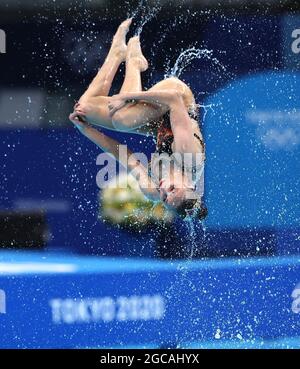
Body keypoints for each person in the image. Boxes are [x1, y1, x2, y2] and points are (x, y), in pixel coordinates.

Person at [69, 19, 207, 219]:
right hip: (178, 99)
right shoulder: (189, 156)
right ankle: (133, 63)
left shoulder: (153, 191)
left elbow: (122, 154)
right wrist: (128, 97)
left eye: (165, 197)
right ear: (190, 185)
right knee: (123, 119)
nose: (163, 190)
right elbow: (174, 100)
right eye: (172, 190)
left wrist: (86, 130)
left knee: (85, 110)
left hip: (159, 124)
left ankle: (117, 53)